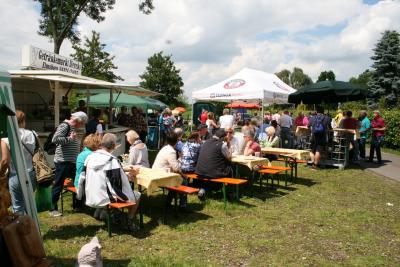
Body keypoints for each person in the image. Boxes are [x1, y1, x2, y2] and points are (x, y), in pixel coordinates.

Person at [77, 133, 141, 229]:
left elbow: (83, 177)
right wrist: (129, 194)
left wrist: (80, 194)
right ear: (114, 146)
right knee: (137, 195)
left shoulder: (90, 157)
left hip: (90, 194)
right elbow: (118, 185)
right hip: (104, 197)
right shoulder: (112, 160)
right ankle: (129, 220)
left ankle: (105, 213)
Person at [50, 111, 88, 217]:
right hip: (63, 161)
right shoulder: (65, 125)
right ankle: (53, 208)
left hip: (71, 161)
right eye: (83, 122)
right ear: (78, 120)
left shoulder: (73, 127)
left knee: (78, 182)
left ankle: (78, 204)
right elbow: (55, 139)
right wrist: (70, 139)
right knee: (58, 184)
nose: (83, 125)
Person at [0, 110, 37, 214]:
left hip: (15, 174)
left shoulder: (5, 138)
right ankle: (31, 227)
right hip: (31, 173)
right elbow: (37, 153)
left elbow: (5, 161)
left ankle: (20, 228)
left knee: (17, 206)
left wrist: (1, 174)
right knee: (29, 204)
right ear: (23, 121)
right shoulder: (33, 134)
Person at [152, 132, 188, 210]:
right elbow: (176, 169)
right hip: (161, 177)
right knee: (183, 181)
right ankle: (183, 205)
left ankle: (168, 202)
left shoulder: (165, 148)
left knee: (176, 181)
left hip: (156, 174)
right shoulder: (171, 151)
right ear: (177, 140)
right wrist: (183, 175)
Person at [195, 129, 232, 199]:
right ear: (223, 137)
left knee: (211, 171)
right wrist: (229, 145)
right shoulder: (222, 145)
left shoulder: (205, 142)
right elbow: (229, 157)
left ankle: (203, 189)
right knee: (230, 167)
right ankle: (229, 191)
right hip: (213, 172)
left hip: (200, 170)